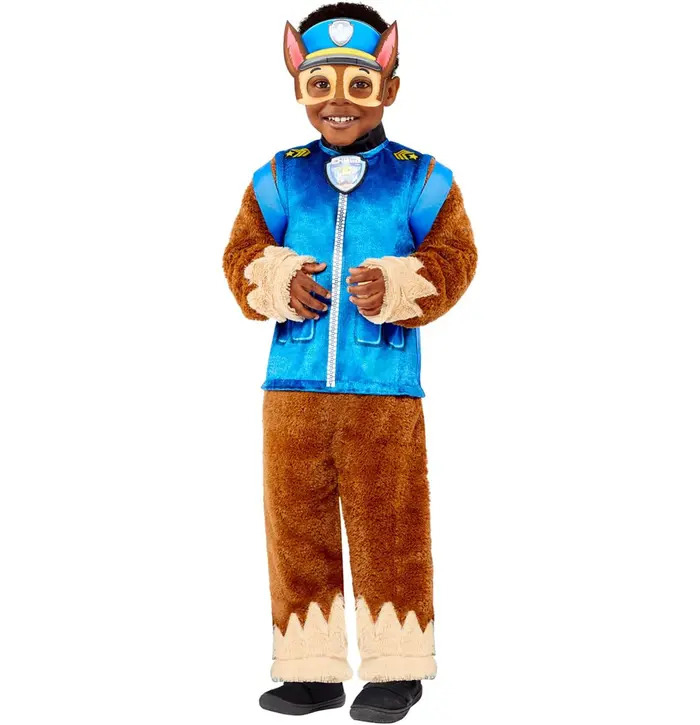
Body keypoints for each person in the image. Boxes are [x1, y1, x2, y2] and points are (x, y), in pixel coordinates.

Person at [223, 3, 477, 721]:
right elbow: (239, 256)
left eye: (359, 84)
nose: (339, 102)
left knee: (390, 524)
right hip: (292, 389)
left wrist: (403, 284)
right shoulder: (278, 177)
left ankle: (397, 669)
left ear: (389, 87)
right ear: (298, 86)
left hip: (384, 390)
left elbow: (457, 257)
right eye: (321, 85)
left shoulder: (423, 180)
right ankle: (310, 669)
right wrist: (274, 278)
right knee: (295, 527)